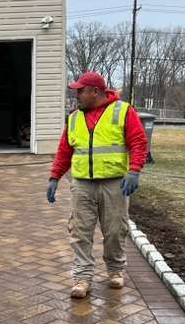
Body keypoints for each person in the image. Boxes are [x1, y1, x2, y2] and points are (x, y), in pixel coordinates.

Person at [47, 71, 148, 299]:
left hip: (114, 183)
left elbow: (139, 142)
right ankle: (82, 278)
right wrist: (54, 177)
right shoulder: (74, 118)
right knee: (79, 231)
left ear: (95, 92)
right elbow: (65, 150)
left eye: (81, 91)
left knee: (114, 229)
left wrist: (134, 171)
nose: (77, 95)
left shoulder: (122, 111)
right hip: (82, 183)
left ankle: (115, 270)